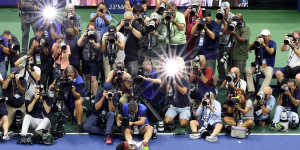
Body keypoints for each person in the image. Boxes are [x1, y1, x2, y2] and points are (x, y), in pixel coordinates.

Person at [49, 65, 85, 132]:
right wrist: (52, 85)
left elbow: (79, 96)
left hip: (76, 98)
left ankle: (80, 125)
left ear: (74, 73)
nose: (69, 75)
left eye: (71, 73)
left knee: (78, 102)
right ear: (65, 74)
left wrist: (73, 91)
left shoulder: (79, 81)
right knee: (57, 94)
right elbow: (55, 82)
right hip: (65, 97)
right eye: (68, 74)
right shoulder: (63, 76)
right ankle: (64, 116)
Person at [246, 29, 276, 94]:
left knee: (269, 75)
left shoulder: (272, 43)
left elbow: (271, 52)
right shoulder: (258, 43)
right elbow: (248, 48)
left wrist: (264, 44)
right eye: (262, 36)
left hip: (267, 66)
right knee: (247, 70)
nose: (264, 37)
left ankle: (261, 92)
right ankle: (251, 90)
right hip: (258, 65)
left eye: (265, 36)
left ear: (269, 36)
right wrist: (255, 42)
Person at [164, 57, 191, 128]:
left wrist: (175, 84)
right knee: (166, 121)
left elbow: (184, 92)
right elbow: (167, 90)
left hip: (184, 107)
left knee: (183, 124)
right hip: (174, 106)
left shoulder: (185, 77)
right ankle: (176, 117)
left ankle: (185, 116)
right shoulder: (171, 75)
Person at [77, 22, 101, 96]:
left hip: (94, 60)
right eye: (89, 29)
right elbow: (79, 44)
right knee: (87, 78)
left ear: (95, 29)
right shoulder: (85, 35)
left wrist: (93, 43)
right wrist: (84, 35)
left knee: (93, 79)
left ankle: (95, 96)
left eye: (92, 29)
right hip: (85, 60)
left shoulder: (97, 34)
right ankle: (89, 93)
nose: (91, 31)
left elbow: (99, 47)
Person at [117, 10, 142, 76]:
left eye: (129, 20)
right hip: (121, 57)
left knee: (133, 76)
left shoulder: (136, 24)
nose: (127, 22)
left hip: (132, 56)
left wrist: (131, 28)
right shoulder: (121, 24)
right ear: (123, 19)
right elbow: (113, 34)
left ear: (132, 19)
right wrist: (120, 25)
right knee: (120, 77)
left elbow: (139, 36)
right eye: (126, 20)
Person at [229, 13, 250, 79]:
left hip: (240, 56)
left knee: (239, 75)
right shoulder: (234, 26)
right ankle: (232, 88)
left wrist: (235, 33)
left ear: (241, 19)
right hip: (232, 54)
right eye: (235, 18)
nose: (235, 20)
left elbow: (242, 40)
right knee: (231, 73)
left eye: (237, 19)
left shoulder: (246, 28)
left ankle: (240, 88)